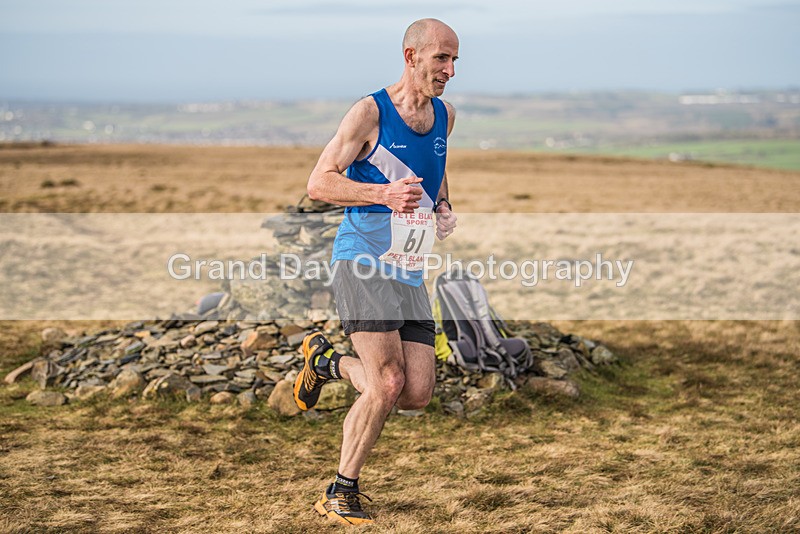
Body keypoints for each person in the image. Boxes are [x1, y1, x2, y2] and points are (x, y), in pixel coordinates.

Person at [292, 18, 459, 525]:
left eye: (454, 61)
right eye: (441, 59)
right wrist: (382, 194)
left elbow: (438, 166)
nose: (450, 71)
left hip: (408, 267)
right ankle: (340, 490)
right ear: (411, 56)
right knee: (386, 381)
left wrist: (445, 204)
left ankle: (326, 363)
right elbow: (319, 181)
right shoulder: (369, 112)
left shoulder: (445, 116)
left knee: (415, 393)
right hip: (361, 260)